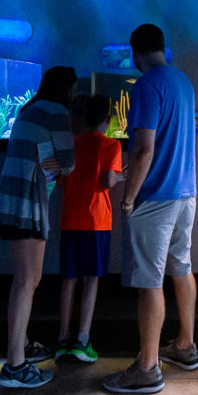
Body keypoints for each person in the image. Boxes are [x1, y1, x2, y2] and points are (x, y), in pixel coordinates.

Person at [102, 24, 198, 395]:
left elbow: (143, 149)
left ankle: (146, 368)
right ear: (163, 48)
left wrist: (128, 196)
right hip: (185, 193)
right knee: (181, 268)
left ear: (135, 54)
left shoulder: (145, 86)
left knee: (149, 281)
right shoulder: (183, 81)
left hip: (155, 198)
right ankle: (186, 347)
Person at [0, 65, 78, 389]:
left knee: (24, 279)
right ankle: (15, 365)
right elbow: (68, 161)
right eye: (73, 89)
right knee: (29, 280)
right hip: (27, 201)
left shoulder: (30, 109)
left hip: (9, 197)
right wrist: (61, 163)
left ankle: (23, 345)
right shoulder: (56, 112)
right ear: (66, 89)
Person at [54, 94, 123, 363]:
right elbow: (107, 181)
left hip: (70, 219)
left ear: (83, 118)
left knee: (68, 280)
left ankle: (62, 339)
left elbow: (61, 181)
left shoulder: (72, 143)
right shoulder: (112, 145)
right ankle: (82, 339)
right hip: (96, 221)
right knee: (91, 279)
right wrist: (119, 177)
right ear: (108, 120)